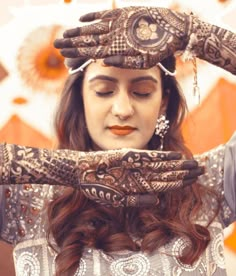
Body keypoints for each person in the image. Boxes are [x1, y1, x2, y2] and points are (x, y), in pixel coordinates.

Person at [0, 5, 235, 276]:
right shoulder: (25, 199)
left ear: (164, 102)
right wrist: (67, 170)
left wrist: (194, 34)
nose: (122, 109)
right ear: (80, 99)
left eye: (142, 92)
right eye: (104, 91)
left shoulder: (209, 182)